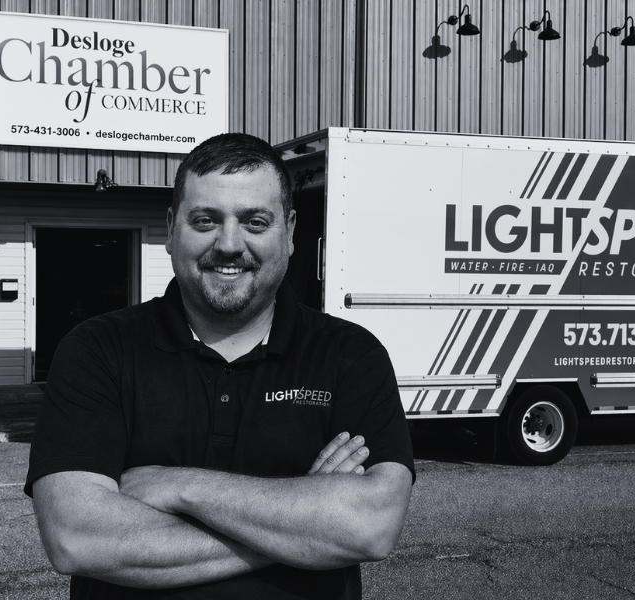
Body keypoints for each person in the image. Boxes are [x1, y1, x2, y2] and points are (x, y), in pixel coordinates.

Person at [24, 133, 415, 599]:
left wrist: (180, 485)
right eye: (206, 220)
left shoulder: (351, 355)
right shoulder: (96, 352)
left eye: (255, 221)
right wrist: (306, 523)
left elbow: (370, 526)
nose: (229, 244)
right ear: (171, 229)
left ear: (289, 232)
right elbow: (78, 538)